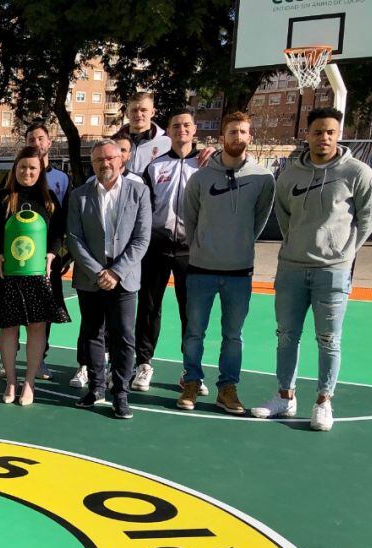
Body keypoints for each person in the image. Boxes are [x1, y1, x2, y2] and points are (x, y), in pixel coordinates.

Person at [252, 107, 372, 430]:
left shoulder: (357, 172)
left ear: (338, 135)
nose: (324, 138)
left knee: (328, 339)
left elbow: (368, 218)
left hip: (333, 271)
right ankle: (285, 396)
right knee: (286, 336)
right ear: (307, 135)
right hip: (292, 267)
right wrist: (297, 243)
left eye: (330, 132)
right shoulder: (291, 174)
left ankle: (323, 401)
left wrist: (344, 251)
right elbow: (283, 216)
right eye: (318, 132)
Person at [179, 111, 275, 413]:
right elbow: (190, 219)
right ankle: (192, 382)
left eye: (243, 132)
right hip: (201, 269)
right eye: (232, 132)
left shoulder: (263, 178)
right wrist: (203, 246)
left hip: (239, 271)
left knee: (233, 335)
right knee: (194, 332)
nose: (237, 137)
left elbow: (259, 220)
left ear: (250, 136)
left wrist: (240, 243)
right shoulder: (201, 177)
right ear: (223, 137)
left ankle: (227, 388)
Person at [67, 139, 152, 419]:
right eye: (98, 160)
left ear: (121, 160)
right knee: (92, 334)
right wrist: (98, 271)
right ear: (92, 164)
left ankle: (121, 394)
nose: (105, 163)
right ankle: (96, 388)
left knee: (123, 338)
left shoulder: (139, 192)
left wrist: (115, 272)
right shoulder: (79, 195)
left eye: (110, 158)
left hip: (123, 277)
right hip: (90, 277)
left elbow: (141, 239)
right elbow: (75, 239)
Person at [0, 146, 70, 406]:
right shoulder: (3, 198)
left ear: (40, 170)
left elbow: (58, 232)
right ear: (15, 169)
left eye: (33, 168)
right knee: (8, 329)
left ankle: (30, 383)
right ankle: (11, 381)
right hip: (8, 274)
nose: (27, 172)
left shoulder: (49, 199)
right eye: (23, 167)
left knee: (36, 328)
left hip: (41, 276)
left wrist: (53, 254)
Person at [133, 108, 203, 395]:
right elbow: (144, 209)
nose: (181, 130)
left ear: (194, 129)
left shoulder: (206, 164)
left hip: (192, 250)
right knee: (149, 309)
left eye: (186, 125)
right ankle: (144, 365)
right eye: (176, 125)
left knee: (191, 312)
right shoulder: (155, 167)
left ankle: (191, 371)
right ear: (169, 131)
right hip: (157, 247)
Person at [26, 120, 73, 382]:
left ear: (49, 143)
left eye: (40, 139)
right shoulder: (17, 175)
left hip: (49, 258)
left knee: (46, 310)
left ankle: (40, 359)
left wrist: (63, 253)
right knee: (21, 309)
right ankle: (18, 357)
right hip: (22, 257)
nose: (36, 143)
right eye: (31, 139)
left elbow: (65, 220)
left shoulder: (61, 179)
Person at [113, 91, 172, 175]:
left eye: (143, 110)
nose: (138, 114)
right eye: (134, 110)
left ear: (152, 112)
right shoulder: (113, 142)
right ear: (127, 114)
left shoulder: (167, 142)